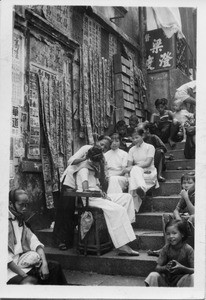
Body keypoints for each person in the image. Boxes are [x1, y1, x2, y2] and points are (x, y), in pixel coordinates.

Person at [66, 145, 139, 256]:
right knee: (119, 210)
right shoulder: (84, 169)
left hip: (98, 197)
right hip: (91, 200)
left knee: (126, 198)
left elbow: (95, 185)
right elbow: (86, 189)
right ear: (93, 159)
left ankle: (122, 232)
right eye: (98, 161)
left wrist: (102, 192)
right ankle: (122, 245)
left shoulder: (92, 167)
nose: (98, 164)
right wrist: (99, 193)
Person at [53, 135, 111, 250]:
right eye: (101, 144)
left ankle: (72, 241)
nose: (102, 147)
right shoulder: (86, 149)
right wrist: (86, 159)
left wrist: (101, 189)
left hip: (83, 185)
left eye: (105, 147)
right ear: (97, 141)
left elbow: (100, 176)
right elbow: (70, 161)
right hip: (70, 181)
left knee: (80, 211)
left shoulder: (100, 158)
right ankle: (60, 240)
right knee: (66, 210)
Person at [8, 189, 67, 285]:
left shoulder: (21, 221)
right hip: (9, 270)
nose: (24, 208)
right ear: (11, 204)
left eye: (26, 205)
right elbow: (5, 259)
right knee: (31, 281)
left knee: (54, 267)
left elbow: (34, 242)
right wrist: (24, 275)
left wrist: (44, 264)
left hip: (22, 263)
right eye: (21, 205)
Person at [145, 219, 194, 287]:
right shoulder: (166, 248)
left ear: (182, 234)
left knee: (193, 277)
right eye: (168, 234)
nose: (171, 236)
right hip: (167, 281)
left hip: (182, 283)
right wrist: (165, 267)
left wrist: (182, 268)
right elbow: (157, 268)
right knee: (153, 275)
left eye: (174, 233)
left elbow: (195, 270)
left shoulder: (188, 249)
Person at [123, 127, 159, 212]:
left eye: (137, 137)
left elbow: (147, 163)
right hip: (137, 173)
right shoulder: (131, 149)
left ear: (142, 136)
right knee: (133, 178)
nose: (134, 140)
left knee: (134, 177)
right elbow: (129, 165)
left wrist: (133, 167)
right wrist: (130, 170)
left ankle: (133, 208)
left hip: (149, 172)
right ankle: (141, 190)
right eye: (133, 138)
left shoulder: (150, 147)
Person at [173, 172, 195, 242]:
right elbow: (176, 210)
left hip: (196, 218)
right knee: (167, 217)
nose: (186, 185)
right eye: (184, 183)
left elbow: (194, 212)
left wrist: (186, 197)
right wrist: (178, 219)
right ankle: (167, 247)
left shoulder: (197, 194)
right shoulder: (186, 193)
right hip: (187, 218)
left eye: (189, 183)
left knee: (193, 217)